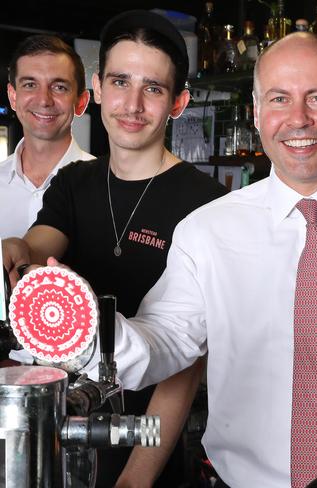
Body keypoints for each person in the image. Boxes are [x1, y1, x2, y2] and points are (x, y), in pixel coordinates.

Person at [53, 31, 317, 487]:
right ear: (258, 112)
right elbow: (163, 345)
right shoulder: (206, 231)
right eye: (280, 99)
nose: (298, 119)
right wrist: (86, 326)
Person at [2, 10, 227, 488]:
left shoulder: (206, 204)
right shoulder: (75, 181)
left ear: (179, 103)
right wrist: (17, 254)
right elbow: (41, 246)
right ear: (99, 87)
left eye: (153, 88)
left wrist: (137, 477)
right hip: (62, 427)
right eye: (121, 81)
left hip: (153, 437)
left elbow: (187, 361)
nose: (132, 104)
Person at [0, 35, 94, 239]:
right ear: (13, 97)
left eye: (59, 87)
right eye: (30, 85)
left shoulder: (106, 188)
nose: (44, 100)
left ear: (81, 101)